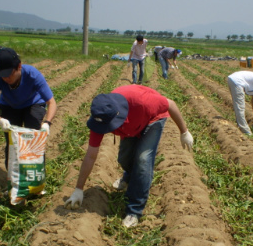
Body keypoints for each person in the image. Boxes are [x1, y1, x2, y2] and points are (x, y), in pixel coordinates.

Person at [64, 85, 193, 228]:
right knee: (124, 158)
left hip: (153, 119)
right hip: (131, 126)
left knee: (143, 160)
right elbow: (91, 155)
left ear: (118, 115)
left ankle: (134, 210)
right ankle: (129, 177)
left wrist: (184, 132)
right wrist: (78, 189)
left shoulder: (142, 102)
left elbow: (170, 104)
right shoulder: (101, 115)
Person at [0, 47, 57, 169]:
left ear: (19, 66)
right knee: (12, 141)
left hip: (33, 104)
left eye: (9, 74)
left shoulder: (32, 74)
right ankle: (13, 180)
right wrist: (0, 120)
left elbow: (51, 102)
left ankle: (36, 179)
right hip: (9, 105)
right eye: (3, 75)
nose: (6, 78)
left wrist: (47, 123)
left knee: (33, 137)